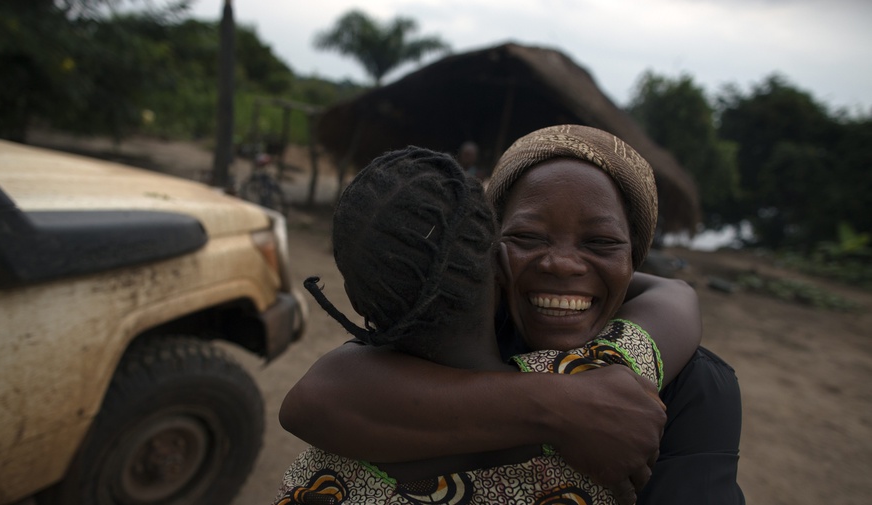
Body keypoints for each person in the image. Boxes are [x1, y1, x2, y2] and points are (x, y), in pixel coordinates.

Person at [281, 126, 744, 504]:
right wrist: (560, 411)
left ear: (635, 254)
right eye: (527, 237)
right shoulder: (446, 338)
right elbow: (317, 396)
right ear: (490, 252)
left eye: (601, 243)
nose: (562, 264)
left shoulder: (692, 383)